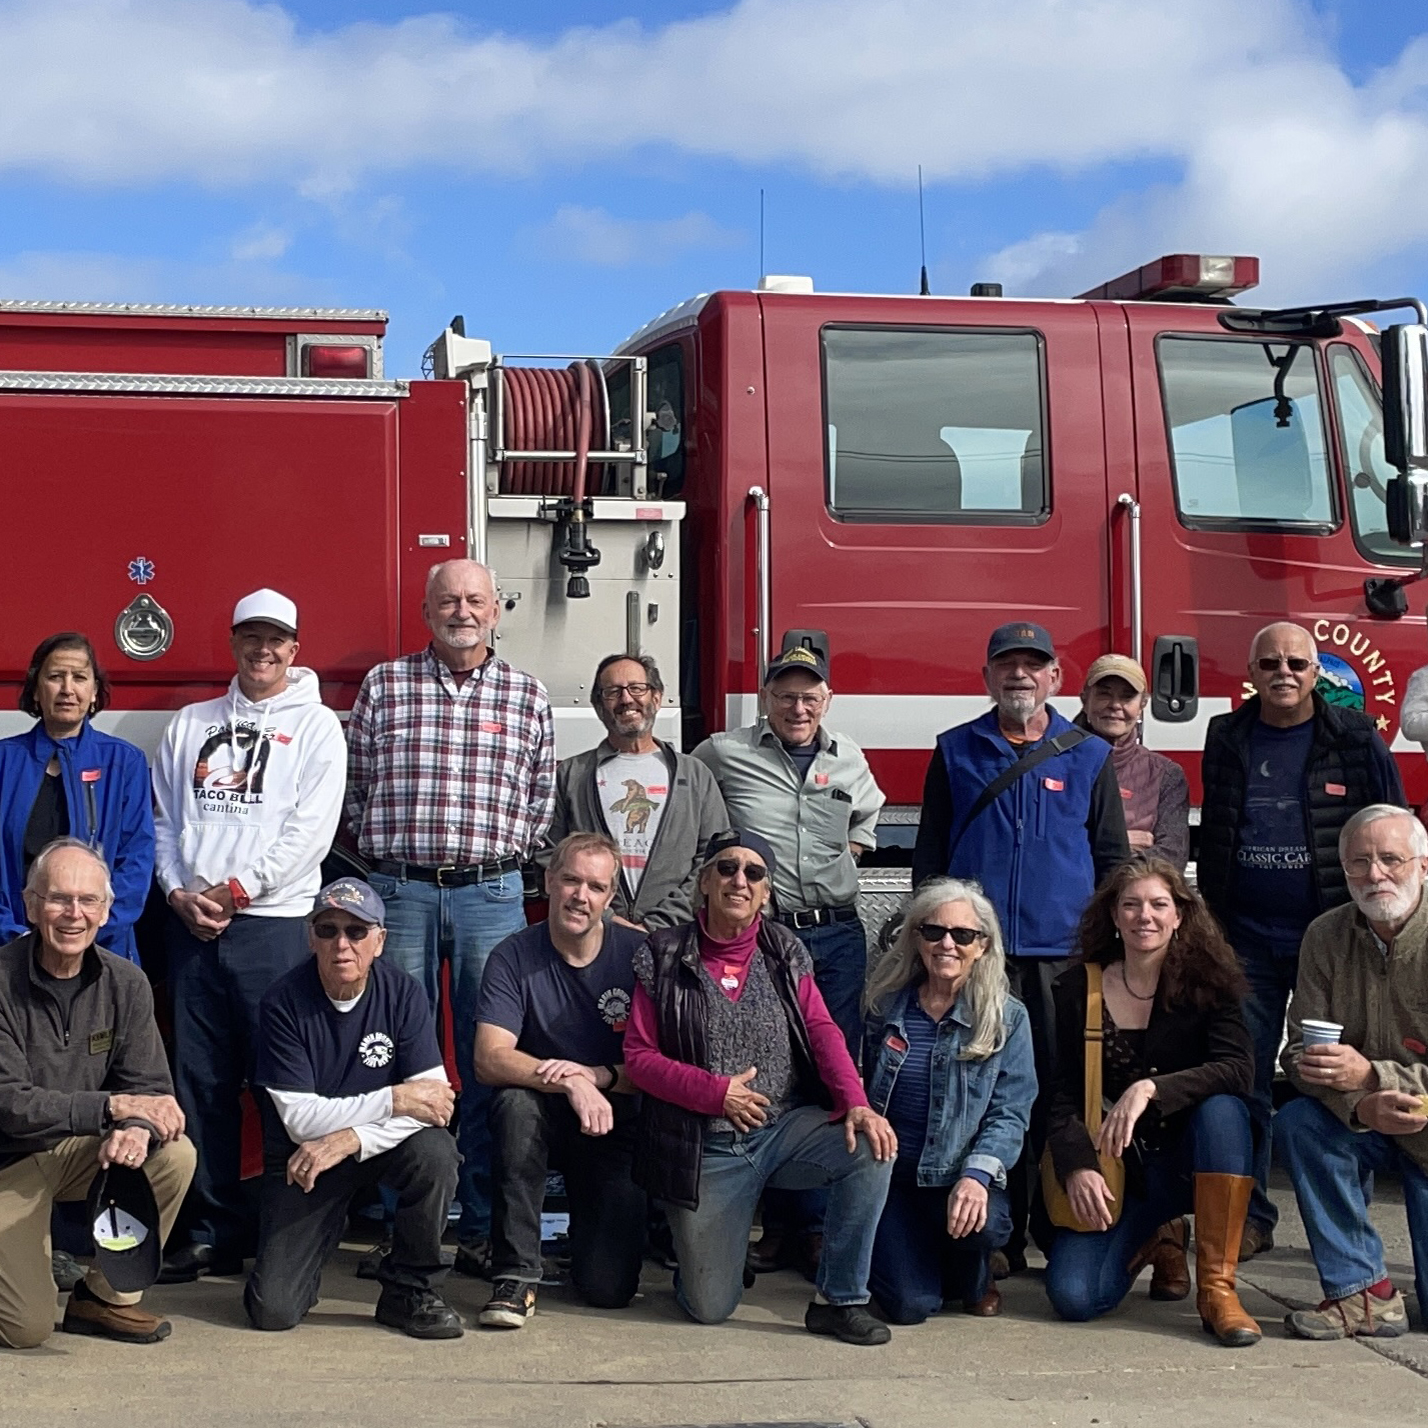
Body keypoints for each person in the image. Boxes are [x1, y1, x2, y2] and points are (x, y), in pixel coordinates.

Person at [346, 559, 556, 1274]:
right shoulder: (385, 685)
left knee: (488, 1058)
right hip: (399, 892)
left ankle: (481, 1221)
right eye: (447, 600)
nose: (461, 610)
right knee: (396, 1050)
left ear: (497, 610)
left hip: (488, 895)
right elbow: (357, 788)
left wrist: (499, 861)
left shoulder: (527, 695)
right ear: (426, 609)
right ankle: (401, 1219)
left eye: (475, 599)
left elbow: (539, 801)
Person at [624, 829, 897, 1346]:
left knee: (871, 1148)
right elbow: (639, 1059)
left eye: (754, 872)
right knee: (709, 1309)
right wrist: (715, 1093)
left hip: (783, 1130)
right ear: (704, 881)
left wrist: (856, 1103)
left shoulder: (785, 950)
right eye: (726, 868)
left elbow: (821, 1029)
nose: (740, 880)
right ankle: (705, 1264)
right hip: (707, 1146)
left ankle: (840, 1300)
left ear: (767, 892)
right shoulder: (660, 954)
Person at [913, 621, 1129, 1270]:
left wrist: (1109, 954)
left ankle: (1052, 1224)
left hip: (1062, 956)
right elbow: (931, 858)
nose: (1020, 676)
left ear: (1056, 680)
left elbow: (1113, 858)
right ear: (986, 677)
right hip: (977, 957)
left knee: (1055, 1092)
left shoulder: (1088, 756)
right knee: (980, 1087)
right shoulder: (955, 751)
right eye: (1007, 665)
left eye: (1034, 666)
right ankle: (996, 1236)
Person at [153, 588, 346, 1281]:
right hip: (193, 929)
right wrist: (176, 892)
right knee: (199, 1081)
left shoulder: (319, 728)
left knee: (280, 1084)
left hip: (276, 925)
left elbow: (309, 833)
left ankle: (284, 1228)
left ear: (295, 651)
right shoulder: (190, 725)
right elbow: (165, 823)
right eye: (250, 639)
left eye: (277, 642)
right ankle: (209, 1230)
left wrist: (236, 891)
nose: (262, 652)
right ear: (232, 643)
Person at [1198, 621, 1405, 1259]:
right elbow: (1218, 827)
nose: (1282, 673)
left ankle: (1348, 1222)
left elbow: (1393, 823)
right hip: (1247, 942)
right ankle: (1252, 1218)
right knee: (1246, 1077)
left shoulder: (1355, 737)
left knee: (1339, 1078)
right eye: (1269, 664)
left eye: (1295, 663)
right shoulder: (1227, 736)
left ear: (1316, 674)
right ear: (1251, 675)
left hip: (1335, 945)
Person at [692, 644, 884, 1276]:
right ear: (766, 700)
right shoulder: (724, 752)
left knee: (834, 1068)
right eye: (786, 695)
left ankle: (819, 1226)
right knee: (770, 1072)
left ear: (826, 699)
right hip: (768, 939)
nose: (798, 707)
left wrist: (852, 849)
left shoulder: (847, 756)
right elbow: (688, 801)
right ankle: (777, 1225)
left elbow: (871, 813)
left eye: (810, 696)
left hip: (834, 935)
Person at [1042, 856, 1259, 1347]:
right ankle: (1155, 1235)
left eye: (1160, 904)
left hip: (1193, 1159)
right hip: (1123, 1172)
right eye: (1132, 905)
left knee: (1224, 1109)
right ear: (1114, 916)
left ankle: (1217, 1289)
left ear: (1180, 914)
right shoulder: (1080, 987)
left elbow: (1238, 1069)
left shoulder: (1211, 982)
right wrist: (1077, 1167)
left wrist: (1151, 1088)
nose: (1146, 916)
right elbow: (1062, 1094)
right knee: (1074, 1298)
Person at [244, 878, 462, 1339]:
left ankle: (410, 1289)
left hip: (357, 1147)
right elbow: (301, 1120)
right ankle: (317, 1236)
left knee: (436, 1153)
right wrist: (394, 1099)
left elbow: (436, 1102)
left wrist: (351, 1138)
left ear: (380, 941)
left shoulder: (403, 993)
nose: (341, 944)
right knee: (273, 1312)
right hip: (305, 1161)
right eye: (327, 930)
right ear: (311, 937)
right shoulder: (282, 1002)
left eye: (357, 931)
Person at [0, 840, 195, 1348]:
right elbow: (10, 1105)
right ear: (31, 905)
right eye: (59, 899)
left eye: (88, 901)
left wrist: (135, 1127)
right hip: (8, 1161)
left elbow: (150, 1090)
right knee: (27, 1330)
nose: (74, 914)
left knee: (173, 1153)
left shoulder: (126, 982)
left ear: (106, 910)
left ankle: (102, 1300)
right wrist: (112, 1109)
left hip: (74, 1150)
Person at [474, 832, 647, 1328]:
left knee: (608, 1291)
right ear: (548, 881)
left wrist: (597, 1076)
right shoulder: (512, 955)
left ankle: (597, 1248)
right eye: (570, 879)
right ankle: (516, 1277)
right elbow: (490, 1058)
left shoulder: (640, 956)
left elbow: (661, 1067)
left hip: (614, 1119)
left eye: (595, 886)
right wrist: (570, 1083)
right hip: (541, 1113)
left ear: (610, 897)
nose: (580, 895)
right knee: (512, 1106)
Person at [1276, 805, 1428, 1340]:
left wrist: (1375, 1077)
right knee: (1298, 1123)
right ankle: (1364, 1293)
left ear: (1424, 866)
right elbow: (1296, 1055)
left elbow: (1371, 1075)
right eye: (1359, 862)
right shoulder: (1326, 935)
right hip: (1362, 1122)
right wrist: (1360, 1105)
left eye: (1391, 859)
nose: (1375, 874)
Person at [862, 878, 1036, 1324]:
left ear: (982, 946)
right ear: (915, 937)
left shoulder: (1008, 1019)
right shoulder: (884, 1006)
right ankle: (918, 1258)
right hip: (892, 1181)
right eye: (934, 931)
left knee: (989, 1224)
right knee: (910, 1307)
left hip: (958, 1179)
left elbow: (1010, 1113)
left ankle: (973, 1274)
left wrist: (978, 1176)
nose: (947, 944)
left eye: (963, 935)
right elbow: (857, 1089)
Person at [0, 632, 154, 964]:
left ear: (94, 692)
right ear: (36, 690)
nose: (68, 689)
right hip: (12, 948)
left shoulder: (124, 762)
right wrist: (12, 935)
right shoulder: (3, 762)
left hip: (102, 949)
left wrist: (91, 930)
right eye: (55, 677)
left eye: (80, 678)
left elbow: (136, 858)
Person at [545, 653, 727, 931]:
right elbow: (550, 856)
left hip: (675, 934)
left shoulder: (695, 775)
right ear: (597, 705)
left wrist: (662, 921)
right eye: (613, 692)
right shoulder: (572, 775)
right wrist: (606, 917)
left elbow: (714, 857)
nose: (626, 699)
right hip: (593, 935)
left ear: (656, 697)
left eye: (637, 688)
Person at [1077, 654, 1189, 869]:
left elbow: (1171, 856)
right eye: (1104, 694)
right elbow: (1048, 845)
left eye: (1127, 697)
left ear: (1142, 705)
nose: (1115, 705)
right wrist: (1121, 843)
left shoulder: (1166, 775)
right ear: (1085, 699)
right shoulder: (1055, 763)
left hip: (1133, 899)